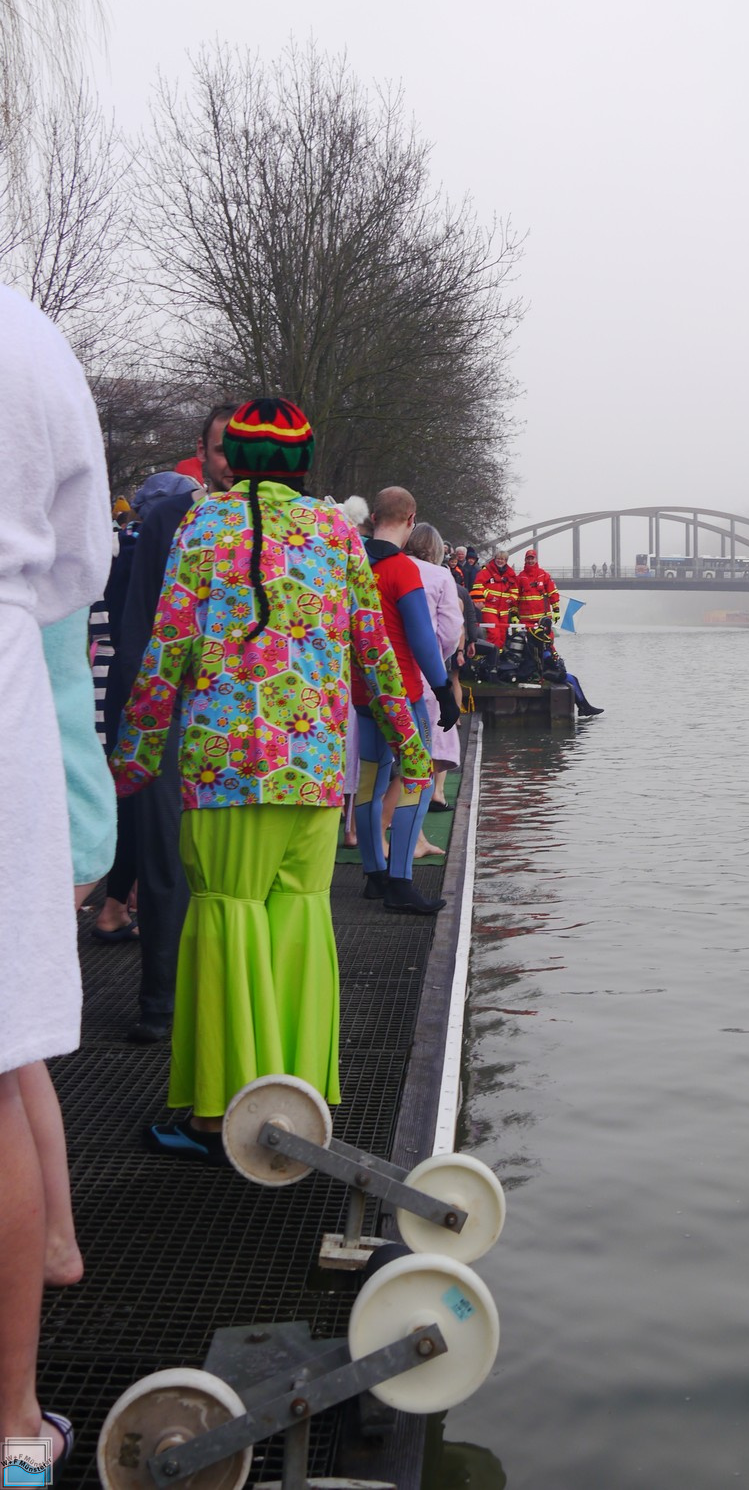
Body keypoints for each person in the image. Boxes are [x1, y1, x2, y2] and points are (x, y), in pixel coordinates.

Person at [110, 400, 429, 1161]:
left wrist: (135, 755)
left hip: (225, 768)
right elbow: (374, 651)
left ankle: (216, 1116)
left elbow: (167, 646)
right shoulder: (335, 533)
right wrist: (411, 749)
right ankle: (300, 1101)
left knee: (227, 921)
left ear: (238, 457)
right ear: (304, 461)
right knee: (299, 924)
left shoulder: (204, 526)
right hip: (314, 769)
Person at [0, 283, 114, 1470]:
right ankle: (12, 1427)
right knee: (5, 1061)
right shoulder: (25, 343)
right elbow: (82, 559)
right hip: (18, 746)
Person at [102, 414, 236, 1041]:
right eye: (223, 449)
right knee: (164, 860)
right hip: (174, 712)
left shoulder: (286, 526)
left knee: (229, 867)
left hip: (245, 720)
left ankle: (222, 1001)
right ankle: (161, 1001)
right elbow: (137, 626)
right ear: (201, 453)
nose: (233, 462)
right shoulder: (168, 521)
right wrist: (137, 728)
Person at [354, 487, 461, 914]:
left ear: (373, 517)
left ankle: (373, 875)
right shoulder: (402, 569)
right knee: (417, 779)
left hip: (360, 690)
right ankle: (400, 882)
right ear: (411, 519)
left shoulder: (352, 563)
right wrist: (443, 690)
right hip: (401, 693)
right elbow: (421, 638)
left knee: (369, 780)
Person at [406, 522, 465, 816]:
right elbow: (451, 629)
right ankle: (415, 819)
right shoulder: (441, 575)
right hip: (425, 670)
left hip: (387, 665)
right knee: (426, 744)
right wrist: (439, 655)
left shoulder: (390, 567)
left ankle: (368, 823)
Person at [471, 550, 518, 648]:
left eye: (502, 559)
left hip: (504, 610)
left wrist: (511, 598)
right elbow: (477, 586)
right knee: (494, 634)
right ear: (494, 559)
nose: (500, 561)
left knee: (502, 636)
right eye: (498, 559)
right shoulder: (486, 571)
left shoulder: (510, 573)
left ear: (506, 561)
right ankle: (492, 654)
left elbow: (515, 590)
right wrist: (489, 596)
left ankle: (498, 654)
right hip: (489, 608)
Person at [516, 548, 560, 630]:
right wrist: (514, 613)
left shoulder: (543, 575)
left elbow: (553, 592)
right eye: (528, 559)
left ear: (536, 560)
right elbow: (515, 596)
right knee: (526, 637)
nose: (530, 561)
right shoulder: (520, 577)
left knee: (547, 637)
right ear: (525, 560)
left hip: (543, 617)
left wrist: (556, 610)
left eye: (532, 558)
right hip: (526, 618)